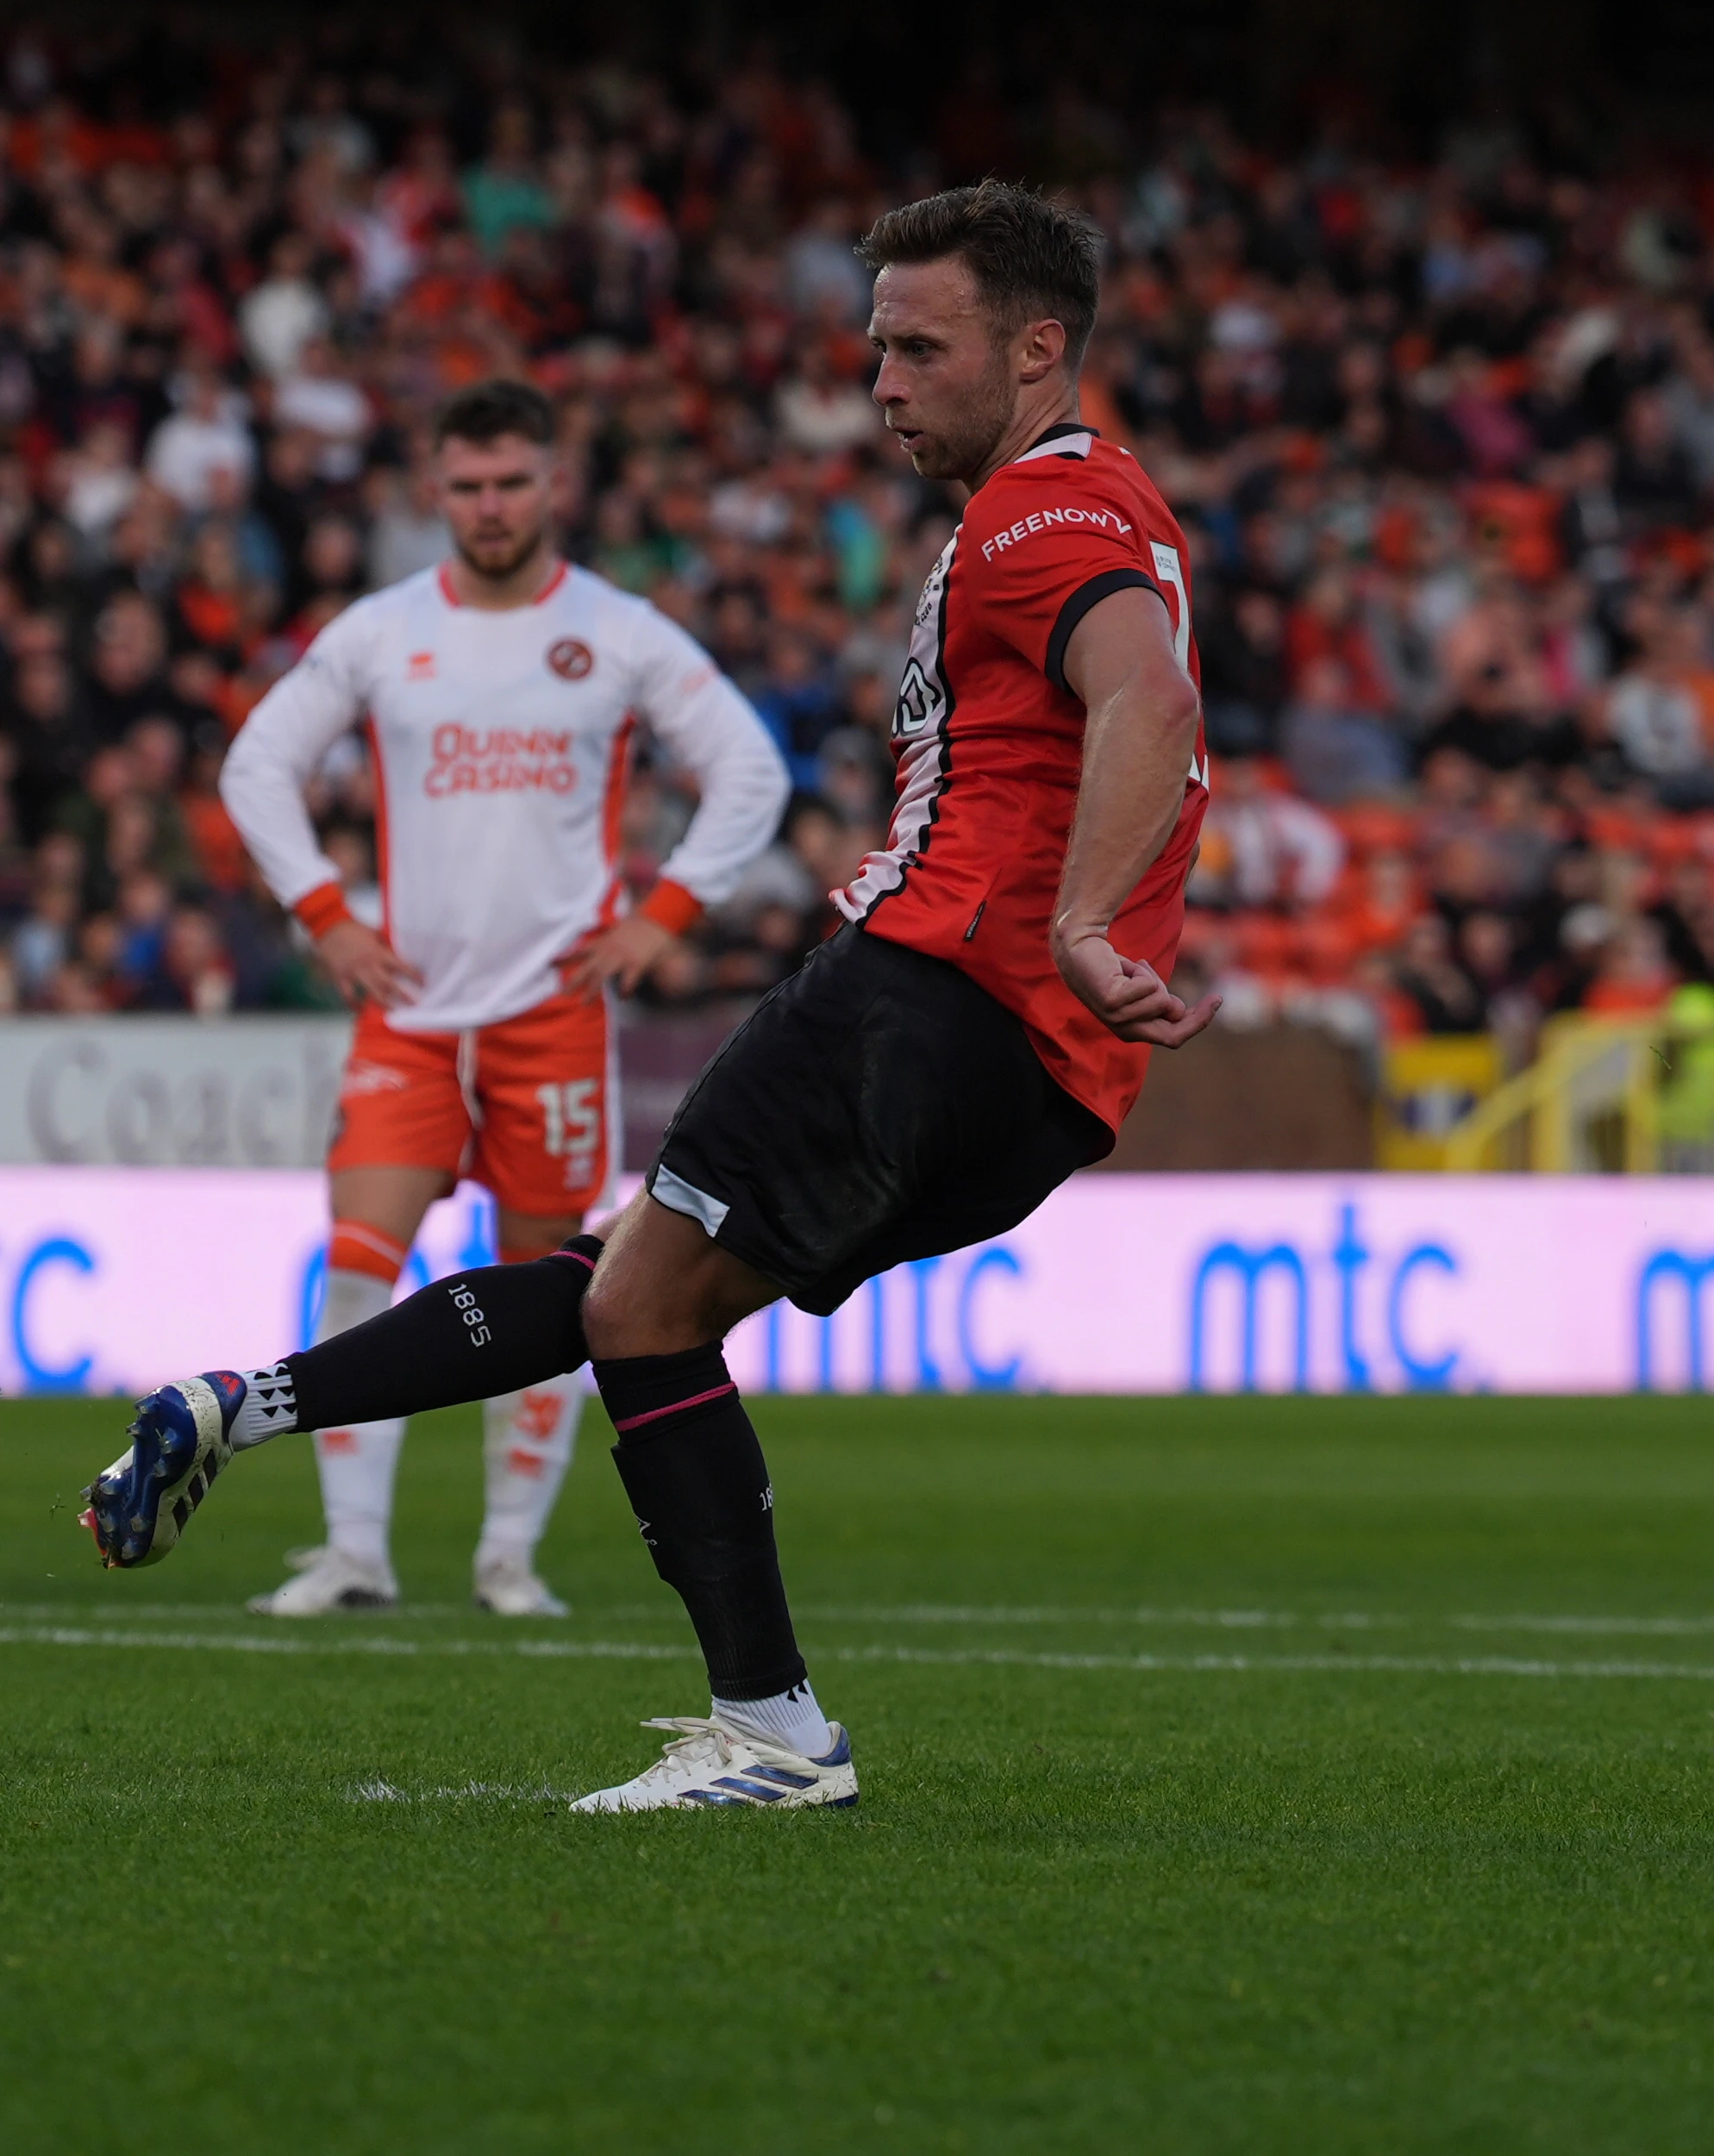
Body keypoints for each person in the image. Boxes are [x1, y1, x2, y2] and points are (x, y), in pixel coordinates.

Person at [83, 182, 1212, 1811]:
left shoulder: (1040, 518)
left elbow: (1148, 696)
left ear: (1038, 348)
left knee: (637, 1300)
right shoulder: (1097, 506)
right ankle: (230, 1406)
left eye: (917, 346)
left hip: (935, 984)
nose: (880, 382)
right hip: (1038, 1074)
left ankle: (770, 1728)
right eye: (875, 346)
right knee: (638, 1286)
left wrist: (1090, 914)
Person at [216, 378, 786, 1619]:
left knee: (557, 1291)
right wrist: (323, 911)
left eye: (511, 481)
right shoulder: (380, 630)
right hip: (411, 1014)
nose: (489, 506)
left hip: (554, 1020)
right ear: (436, 491)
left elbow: (748, 766)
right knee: (359, 1263)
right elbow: (257, 760)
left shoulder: (618, 632)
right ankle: (353, 1553)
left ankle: (506, 1559)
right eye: (467, 486)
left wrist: (667, 910)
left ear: (553, 486)